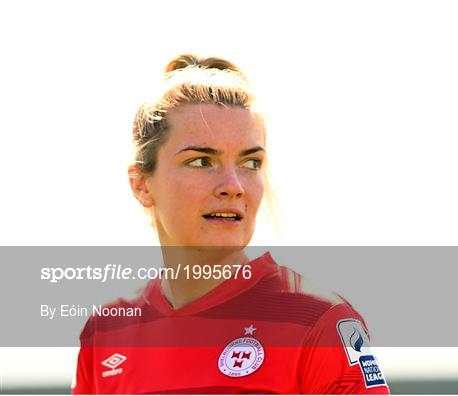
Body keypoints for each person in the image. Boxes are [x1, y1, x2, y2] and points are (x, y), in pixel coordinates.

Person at [72, 54, 390, 394]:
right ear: (141, 184)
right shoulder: (105, 331)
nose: (233, 185)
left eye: (250, 162)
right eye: (201, 161)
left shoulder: (318, 322)